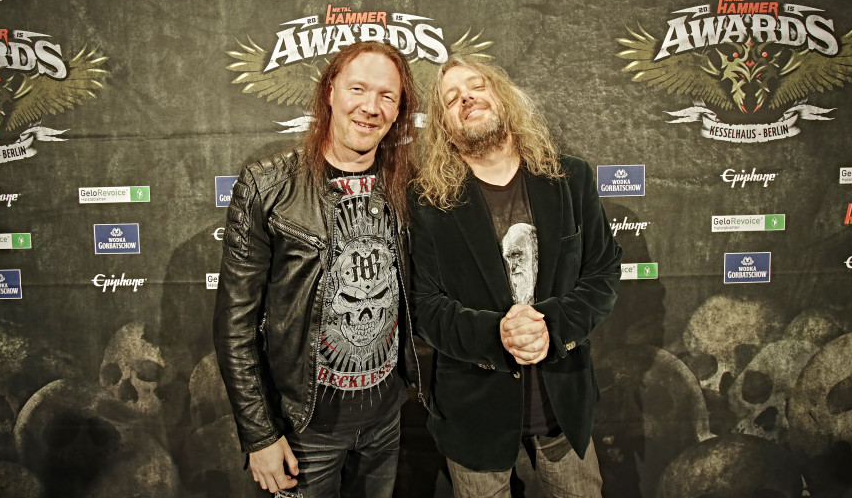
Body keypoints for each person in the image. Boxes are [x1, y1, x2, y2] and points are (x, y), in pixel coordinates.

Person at [213, 41, 423, 497]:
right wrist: (260, 434)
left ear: (398, 111)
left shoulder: (407, 185)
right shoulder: (269, 185)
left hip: (386, 422)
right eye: (358, 89)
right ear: (330, 92)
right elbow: (235, 325)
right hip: (303, 430)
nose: (371, 107)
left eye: (387, 96)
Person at [410, 55, 622, 497]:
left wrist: (551, 327)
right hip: (474, 419)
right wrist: (497, 335)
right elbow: (425, 306)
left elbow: (602, 273)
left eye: (477, 86)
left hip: (564, 411)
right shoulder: (428, 203)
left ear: (502, 96)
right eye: (451, 98)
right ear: (444, 125)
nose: (467, 98)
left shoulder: (571, 179)